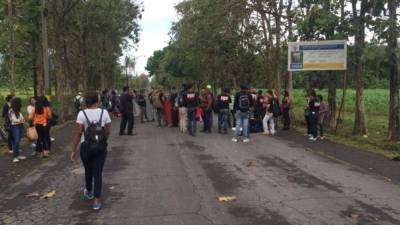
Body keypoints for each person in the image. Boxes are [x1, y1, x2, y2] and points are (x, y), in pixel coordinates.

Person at [70, 91, 111, 211]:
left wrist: (73, 150)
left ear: (86, 102)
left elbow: (78, 134)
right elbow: (108, 131)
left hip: (86, 147)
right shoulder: (104, 113)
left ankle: (89, 191)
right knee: (98, 173)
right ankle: (97, 201)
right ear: (97, 101)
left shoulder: (81, 114)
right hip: (100, 148)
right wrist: (102, 141)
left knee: (88, 170)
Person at [9, 98, 26, 163]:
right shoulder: (11, 110)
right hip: (15, 127)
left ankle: (18, 155)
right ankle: (15, 157)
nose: (21, 103)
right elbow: (13, 120)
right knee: (16, 141)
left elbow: (22, 118)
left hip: (20, 126)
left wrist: (21, 120)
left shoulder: (18, 111)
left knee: (18, 141)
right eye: (20, 102)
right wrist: (20, 121)